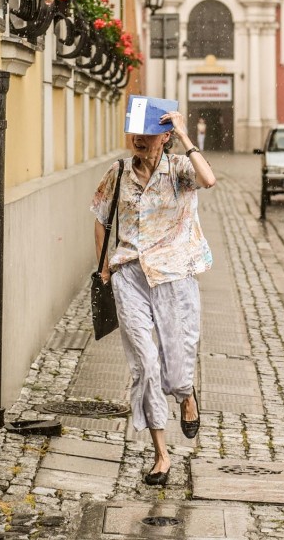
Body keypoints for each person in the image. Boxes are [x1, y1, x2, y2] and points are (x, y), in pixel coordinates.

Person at [90, 108, 216, 487]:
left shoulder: (179, 168)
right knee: (145, 364)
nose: (139, 139)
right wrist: (106, 267)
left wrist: (183, 132)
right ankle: (161, 454)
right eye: (135, 133)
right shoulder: (118, 172)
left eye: (149, 134)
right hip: (130, 275)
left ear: (164, 138)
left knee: (177, 365)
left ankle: (185, 394)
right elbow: (100, 216)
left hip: (174, 276)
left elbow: (209, 179)